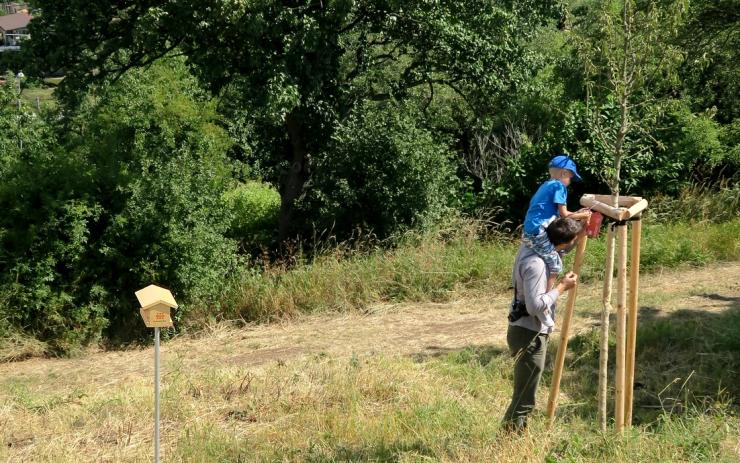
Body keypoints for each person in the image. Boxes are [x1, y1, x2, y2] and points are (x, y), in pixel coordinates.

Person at [502, 217, 584, 432]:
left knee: (526, 391)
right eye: (573, 241)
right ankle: (509, 439)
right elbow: (535, 306)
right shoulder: (537, 265)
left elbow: (562, 249)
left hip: (527, 330)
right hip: (529, 332)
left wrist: (583, 224)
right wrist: (562, 287)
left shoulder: (536, 249)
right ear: (564, 242)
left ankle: (515, 434)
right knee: (525, 395)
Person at [522, 155, 591, 290]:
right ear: (563, 173)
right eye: (570, 177)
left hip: (528, 231)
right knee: (555, 264)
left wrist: (578, 213)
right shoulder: (559, 186)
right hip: (539, 231)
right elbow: (564, 214)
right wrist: (583, 215)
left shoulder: (546, 185)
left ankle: (537, 290)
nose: (570, 181)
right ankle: (546, 295)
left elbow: (560, 214)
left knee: (552, 253)